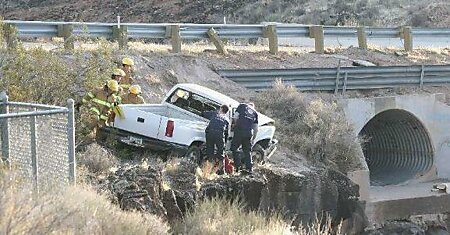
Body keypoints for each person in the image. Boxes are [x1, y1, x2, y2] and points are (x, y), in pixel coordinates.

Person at [231, 102, 258, 174]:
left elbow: (235, 116)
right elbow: (255, 128)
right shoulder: (255, 113)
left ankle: (238, 167)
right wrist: (253, 138)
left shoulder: (242, 106)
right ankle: (249, 169)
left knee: (234, 148)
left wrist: (234, 125)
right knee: (247, 151)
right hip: (249, 133)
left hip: (240, 130)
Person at [203, 105, 230, 173]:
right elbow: (227, 133)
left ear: (221, 109)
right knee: (221, 154)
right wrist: (224, 143)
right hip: (220, 135)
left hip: (210, 133)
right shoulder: (227, 119)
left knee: (210, 151)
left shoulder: (215, 113)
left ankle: (208, 169)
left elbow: (204, 113)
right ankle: (221, 171)